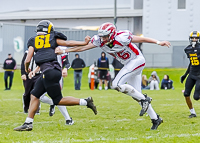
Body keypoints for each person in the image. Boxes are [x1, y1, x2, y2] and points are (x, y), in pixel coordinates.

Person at [56, 22, 171, 130]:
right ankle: (156, 119)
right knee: (136, 95)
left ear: (112, 35)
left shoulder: (122, 37)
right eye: (101, 36)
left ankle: (145, 99)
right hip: (128, 64)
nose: (102, 39)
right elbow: (82, 48)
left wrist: (158, 42)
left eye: (105, 36)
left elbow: (141, 38)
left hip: (137, 60)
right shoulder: (99, 41)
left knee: (116, 84)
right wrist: (67, 51)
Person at [14, 20, 97, 131]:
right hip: (50, 71)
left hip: (50, 72)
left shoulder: (33, 40)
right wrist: (84, 42)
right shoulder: (52, 38)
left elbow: (28, 59)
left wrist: (26, 68)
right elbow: (68, 43)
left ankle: (86, 102)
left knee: (58, 100)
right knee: (34, 95)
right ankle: (28, 123)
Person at [21, 47, 74, 125]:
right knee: (38, 96)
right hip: (45, 74)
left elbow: (66, 61)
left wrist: (65, 68)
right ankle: (52, 103)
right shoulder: (45, 47)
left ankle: (68, 119)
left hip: (56, 74)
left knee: (58, 98)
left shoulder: (60, 47)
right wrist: (34, 71)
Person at [180, 31, 200, 118]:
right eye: (193, 38)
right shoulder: (188, 49)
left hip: (199, 75)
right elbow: (191, 63)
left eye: (196, 38)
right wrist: (185, 75)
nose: (194, 39)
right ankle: (193, 113)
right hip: (192, 74)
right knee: (186, 94)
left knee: (196, 97)